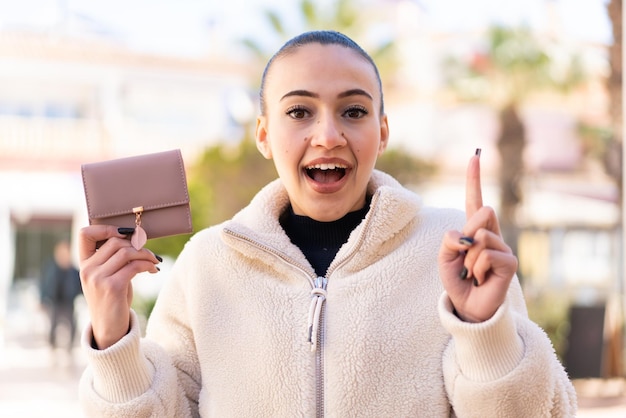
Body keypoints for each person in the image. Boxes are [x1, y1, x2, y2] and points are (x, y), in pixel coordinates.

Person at [77, 30, 577, 416]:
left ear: (381, 132)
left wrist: (484, 331)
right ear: (264, 135)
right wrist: (113, 336)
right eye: (299, 111)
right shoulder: (206, 265)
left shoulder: (455, 250)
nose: (328, 134)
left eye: (353, 111)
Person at [40, 239, 82, 353]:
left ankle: (70, 348)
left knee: (72, 325)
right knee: (53, 325)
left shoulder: (73, 270)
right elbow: (44, 284)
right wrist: (42, 299)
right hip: (55, 302)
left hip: (68, 302)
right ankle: (52, 346)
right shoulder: (51, 268)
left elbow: (80, 285)